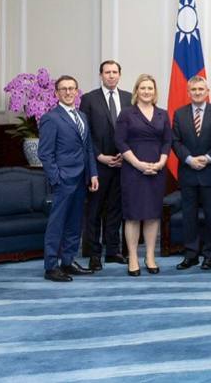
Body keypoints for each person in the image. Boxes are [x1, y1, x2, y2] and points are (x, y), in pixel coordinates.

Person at [38, 75, 98, 282]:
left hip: (82, 179)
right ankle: (51, 266)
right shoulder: (51, 118)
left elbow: (88, 148)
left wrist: (93, 173)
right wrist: (56, 178)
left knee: (74, 223)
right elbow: (45, 153)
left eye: (72, 88)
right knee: (57, 224)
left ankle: (68, 261)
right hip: (63, 181)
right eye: (63, 89)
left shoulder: (82, 116)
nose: (68, 92)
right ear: (56, 93)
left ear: (77, 92)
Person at [115, 74, 171, 277]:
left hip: (156, 170)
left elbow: (167, 141)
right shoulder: (126, 114)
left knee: (152, 215)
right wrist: (138, 164)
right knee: (133, 215)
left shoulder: (162, 114)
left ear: (155, 92)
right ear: (136, 91)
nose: (147, 91)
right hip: (133, 170)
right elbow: (120, 141)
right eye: (143, 88)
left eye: (150, 88)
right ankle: (132, 257)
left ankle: (149, 256)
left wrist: (161, 163)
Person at [79, 59, 131, 270]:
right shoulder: (89, 99)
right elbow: (84, 133)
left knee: (116, 209)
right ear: (101, 75)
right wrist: (99, 156)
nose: (111, 75)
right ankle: (94, 254)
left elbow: (133, 130)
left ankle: (113, 251)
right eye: (107, 72)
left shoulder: (129, 98)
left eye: (114, 72)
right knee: (94, 210)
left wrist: (126, 155)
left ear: (119, 75)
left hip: (123, 163)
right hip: (98, 164)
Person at [172, 76, 211, 271]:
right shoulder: (179, 113)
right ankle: (191, 255)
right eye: (194, 89)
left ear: (207, 92)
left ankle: (209, 256)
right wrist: (189, 159)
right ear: (188, 92)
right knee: (189, 217)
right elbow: (175, 141)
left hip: (210, 173)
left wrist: (208, 158)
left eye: (201, 89)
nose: (198, 92)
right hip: (188, 173)